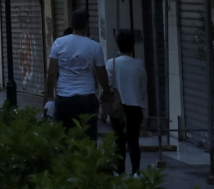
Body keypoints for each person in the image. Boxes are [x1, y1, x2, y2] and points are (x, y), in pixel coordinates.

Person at [46, 9, 111, 141]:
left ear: (71, 23)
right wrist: (106, 91)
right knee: (88, 138)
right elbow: (101, 74)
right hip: (86, 99)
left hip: (64, 99)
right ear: (87, 25)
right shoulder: (95, 46)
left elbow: (52, 73)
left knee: (64, 139)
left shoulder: (59, 43)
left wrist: (49, 96)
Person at [107, 30, 149, 175]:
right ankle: (136, 171)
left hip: (117, 109)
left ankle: (120, 171)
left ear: (118, 45)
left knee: (119, 141)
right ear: (132, 46)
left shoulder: (111, 63)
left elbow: (108, 86)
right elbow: (143, 86)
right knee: (133, 141)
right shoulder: (139, 64)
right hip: (135, 107)